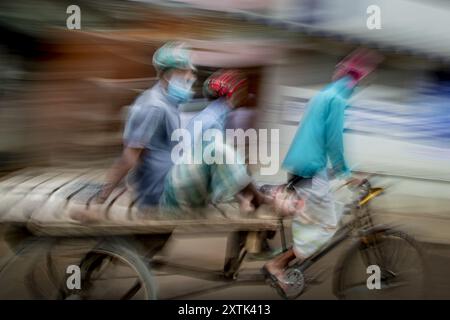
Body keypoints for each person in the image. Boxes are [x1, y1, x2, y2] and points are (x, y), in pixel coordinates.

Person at [262, 48, 383, 294]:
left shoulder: (324, 95)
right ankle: (279, 264)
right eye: (359, 81)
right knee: (328, 224)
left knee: (327, 210)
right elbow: (333, 142)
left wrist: (347, 173)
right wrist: (347, 173)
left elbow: (319, 141)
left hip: (303, 166)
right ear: (355, 79)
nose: (356, 86)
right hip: (311, 170)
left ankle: (290, 258)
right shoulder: (338, 100)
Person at [71, 42, 197, 223]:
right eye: (187, 71)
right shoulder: (154, 106)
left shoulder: (169, 102)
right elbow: (131, 155)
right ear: (171, 74)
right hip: (161, 192)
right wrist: (100, 200)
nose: (191, 77)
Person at [159, 69, 271, 217]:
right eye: (241, 91)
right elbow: (219, 159)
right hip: (184, 185)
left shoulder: (214, 115)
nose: (244, 96)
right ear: (234, 93)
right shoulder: (213, 120)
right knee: (223, 153)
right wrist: (246, 193)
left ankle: (253, 198)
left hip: (182, 182)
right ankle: (258, 199)